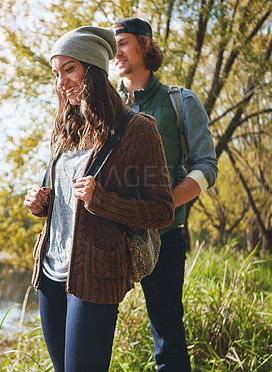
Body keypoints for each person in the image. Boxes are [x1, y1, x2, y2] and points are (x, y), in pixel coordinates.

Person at [24, 26, 175, 372]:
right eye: (56, 72)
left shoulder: (138, 128)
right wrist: (41, 202)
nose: (61, 81)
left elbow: (162, 210)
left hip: (96, 274)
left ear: (92, 68)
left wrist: (103, 200)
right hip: (50, 272)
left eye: (70, 69)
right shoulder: (65, 129)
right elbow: (61, 197)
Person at [111, 17, 219, 372]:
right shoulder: (105, 105)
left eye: (124, 42)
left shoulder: (181, 102)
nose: (117, 51)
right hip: (108, 235)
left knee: (168, 335)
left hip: (166, 234)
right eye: (114, 45)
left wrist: (160, 206)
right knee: (92, 328)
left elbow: (206, 167)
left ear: (145, 44)